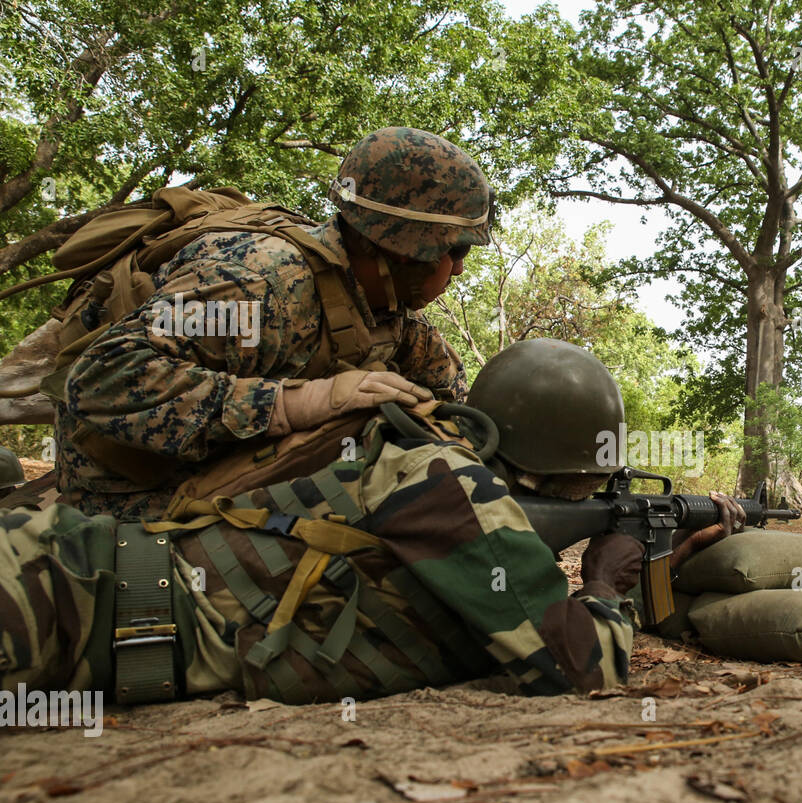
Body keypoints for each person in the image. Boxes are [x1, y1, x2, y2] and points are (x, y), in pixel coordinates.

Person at [0, 340, 743, 705]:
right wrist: (609, 581)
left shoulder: (430, 462)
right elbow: (585, 666)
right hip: (69, 593)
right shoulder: (452, 487)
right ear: (563, 467)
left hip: (96, 609)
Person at [55, 127, 493, 520]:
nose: (456, 270)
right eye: (457, 251)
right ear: (404, 251)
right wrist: (295, 404)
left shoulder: (386, 308)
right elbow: (99, 377)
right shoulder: (259, 287)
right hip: (130, 498)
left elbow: (460, 400)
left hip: (229, 475)